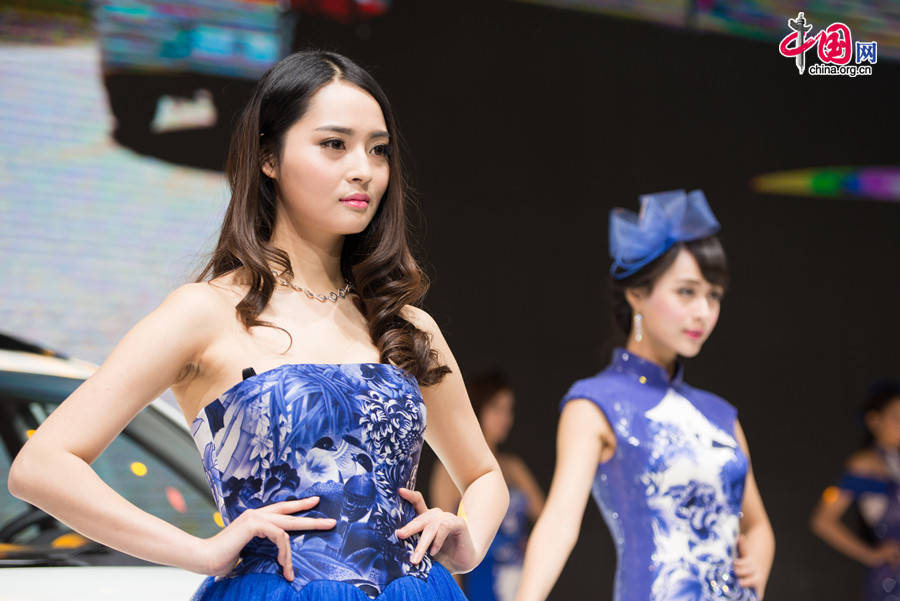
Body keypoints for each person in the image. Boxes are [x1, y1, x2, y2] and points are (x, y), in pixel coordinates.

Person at [8, 50, 508, 600]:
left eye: (379, 149)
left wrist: (470, 538)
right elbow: (41, 465)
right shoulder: (204, 312)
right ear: (268, 157)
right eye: (334, 144)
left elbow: (483, 475)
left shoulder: (404, 323)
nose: (363, 168)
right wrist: (198, 550)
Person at [514, 190, 775, 601]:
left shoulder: (721, 415)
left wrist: (758, 560)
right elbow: (561, 520)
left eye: (714, 296)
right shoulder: (594, 404)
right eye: (687, 292)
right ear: (636, 294)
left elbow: (757, 524)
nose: (703, 312)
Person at [430, 370, 545, 601]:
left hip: (520, 579)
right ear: (478, 407)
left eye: (509, 410)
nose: (506, 418)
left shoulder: (513, 467)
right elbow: (444, 544)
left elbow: (548, 517)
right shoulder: (449, 469)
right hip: (481, 580)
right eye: (497, 408)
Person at [811, 380, 900, 600]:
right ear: (874, 420)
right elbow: (823, 521)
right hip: (892, 577)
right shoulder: (864, 465)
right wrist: (871, 555)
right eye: (897, 418)